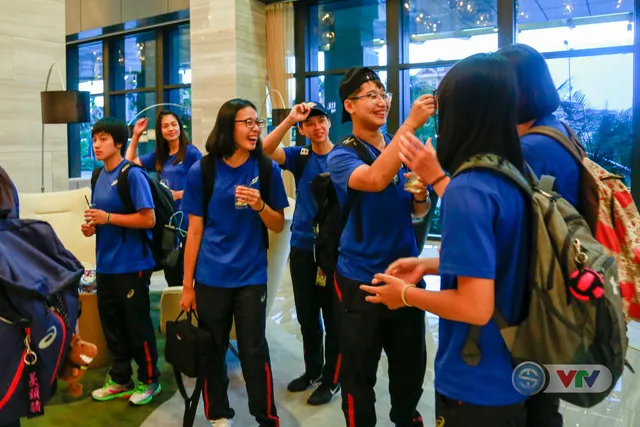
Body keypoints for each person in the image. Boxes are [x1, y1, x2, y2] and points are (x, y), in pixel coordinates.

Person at [361, 53, 531, 427]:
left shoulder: (470, 190)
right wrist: (430, 264)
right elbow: (499, 259)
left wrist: (404, 295)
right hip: (514, 366)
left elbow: (474, 307)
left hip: (476, 377)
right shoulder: (512, 173)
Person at [328, 66, 433, 427]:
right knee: (358, 375)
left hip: (406, 275)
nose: (380, 101)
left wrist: (420, 196)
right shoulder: (342, 155)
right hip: (360, 279)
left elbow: (420, 211)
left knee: (410, 369)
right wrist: (412, 124)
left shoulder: (401, 147)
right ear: (350, 105)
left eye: (383, 93)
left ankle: (406, 418)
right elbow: (373, 179)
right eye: (370, 95)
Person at [180, 98, 288, 427]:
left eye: (258, 123)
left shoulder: (267, 169)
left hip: (251, 275)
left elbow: (278, 224)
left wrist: (259, 206)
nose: (255, 129)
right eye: (248, 122)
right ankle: (217, 412)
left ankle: (266, 415)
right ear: (229, 126)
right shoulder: (204, 170)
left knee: (254, 348)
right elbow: (194, 231)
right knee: (213, 347)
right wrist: (188, 285)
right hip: (211, 275)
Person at [498, 42, 569, 427]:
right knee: (544, 397)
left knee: (530, 401)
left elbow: (503, 228)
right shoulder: (558, 132)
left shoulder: (529, 148)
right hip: (557, 286)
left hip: (534, 293)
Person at [261, 101, 340, 405]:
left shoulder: (343, 156)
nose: (317, 127)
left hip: (334, 251)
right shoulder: (300, 156)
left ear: (329, 124)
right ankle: (313, 371)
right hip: (304, 247)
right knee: (308, 315)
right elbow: (266, 149)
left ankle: (333, 379)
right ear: (303, 130)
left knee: (333, 318)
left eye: (321, 121)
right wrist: (290, 118)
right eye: (310, 124)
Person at [82, 117, 161, 405]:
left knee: (137, 324)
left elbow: (148, 218)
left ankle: (150, 380)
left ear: (118, 143)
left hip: (133, 264)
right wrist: (94, 226)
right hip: (106, 264)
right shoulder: (97, 175)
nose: (96, 144)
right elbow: (102, 215)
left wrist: (108, 218)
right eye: (94, 139)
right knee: (112, 325)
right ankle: (120, 378)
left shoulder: (132, 174)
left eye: (103, 139)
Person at [126, 110, 202, 286]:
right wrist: (136, 135)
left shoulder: (191, 153)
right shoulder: (160, 155)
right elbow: (127, 165)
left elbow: (204, 185)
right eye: (165, 126)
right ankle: (176, 310)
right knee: (172, 273)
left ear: (180, 127)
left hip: (188, 220)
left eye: (174, 124)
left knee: (189, 273)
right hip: (168, 222)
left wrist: (177, 194)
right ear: (160, 131)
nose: (170, 129)